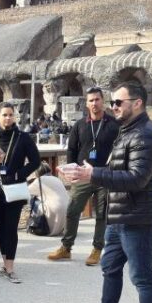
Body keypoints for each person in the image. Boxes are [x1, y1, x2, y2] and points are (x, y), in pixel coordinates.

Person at [62, 81, 152, 303]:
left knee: (142, 277)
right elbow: (116, 168)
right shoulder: (127, 131)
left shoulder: (145, 134)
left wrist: (93, 175)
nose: (113, 106)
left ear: (138, 103)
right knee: (109, 268)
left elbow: (137, 178)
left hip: (139, 217)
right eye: (113, 102)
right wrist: (88, 170)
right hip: (120, 214)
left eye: (119, 102)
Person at [48, 87, 119, 266]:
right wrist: (71, 170)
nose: (94, 103)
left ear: (103, 101)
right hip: (82, 175)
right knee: (72, 211)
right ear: (86, 104)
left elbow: (121, 149)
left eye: (97, 99)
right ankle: (66, 247)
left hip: (105, 175)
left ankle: (97, 249)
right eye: (91, 100)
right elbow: (72, 149)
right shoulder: (80, 125)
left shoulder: (114, 124)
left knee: (102, 214)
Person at [0, 102, 41, 282]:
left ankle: (10, 267)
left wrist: (19, 174)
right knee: (0, 228)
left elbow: (35, 161)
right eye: (4, 115)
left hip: (14, 188)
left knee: (11, 228)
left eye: (10, 115)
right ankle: (5, 264)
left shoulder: (23, 137)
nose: (8, 118)